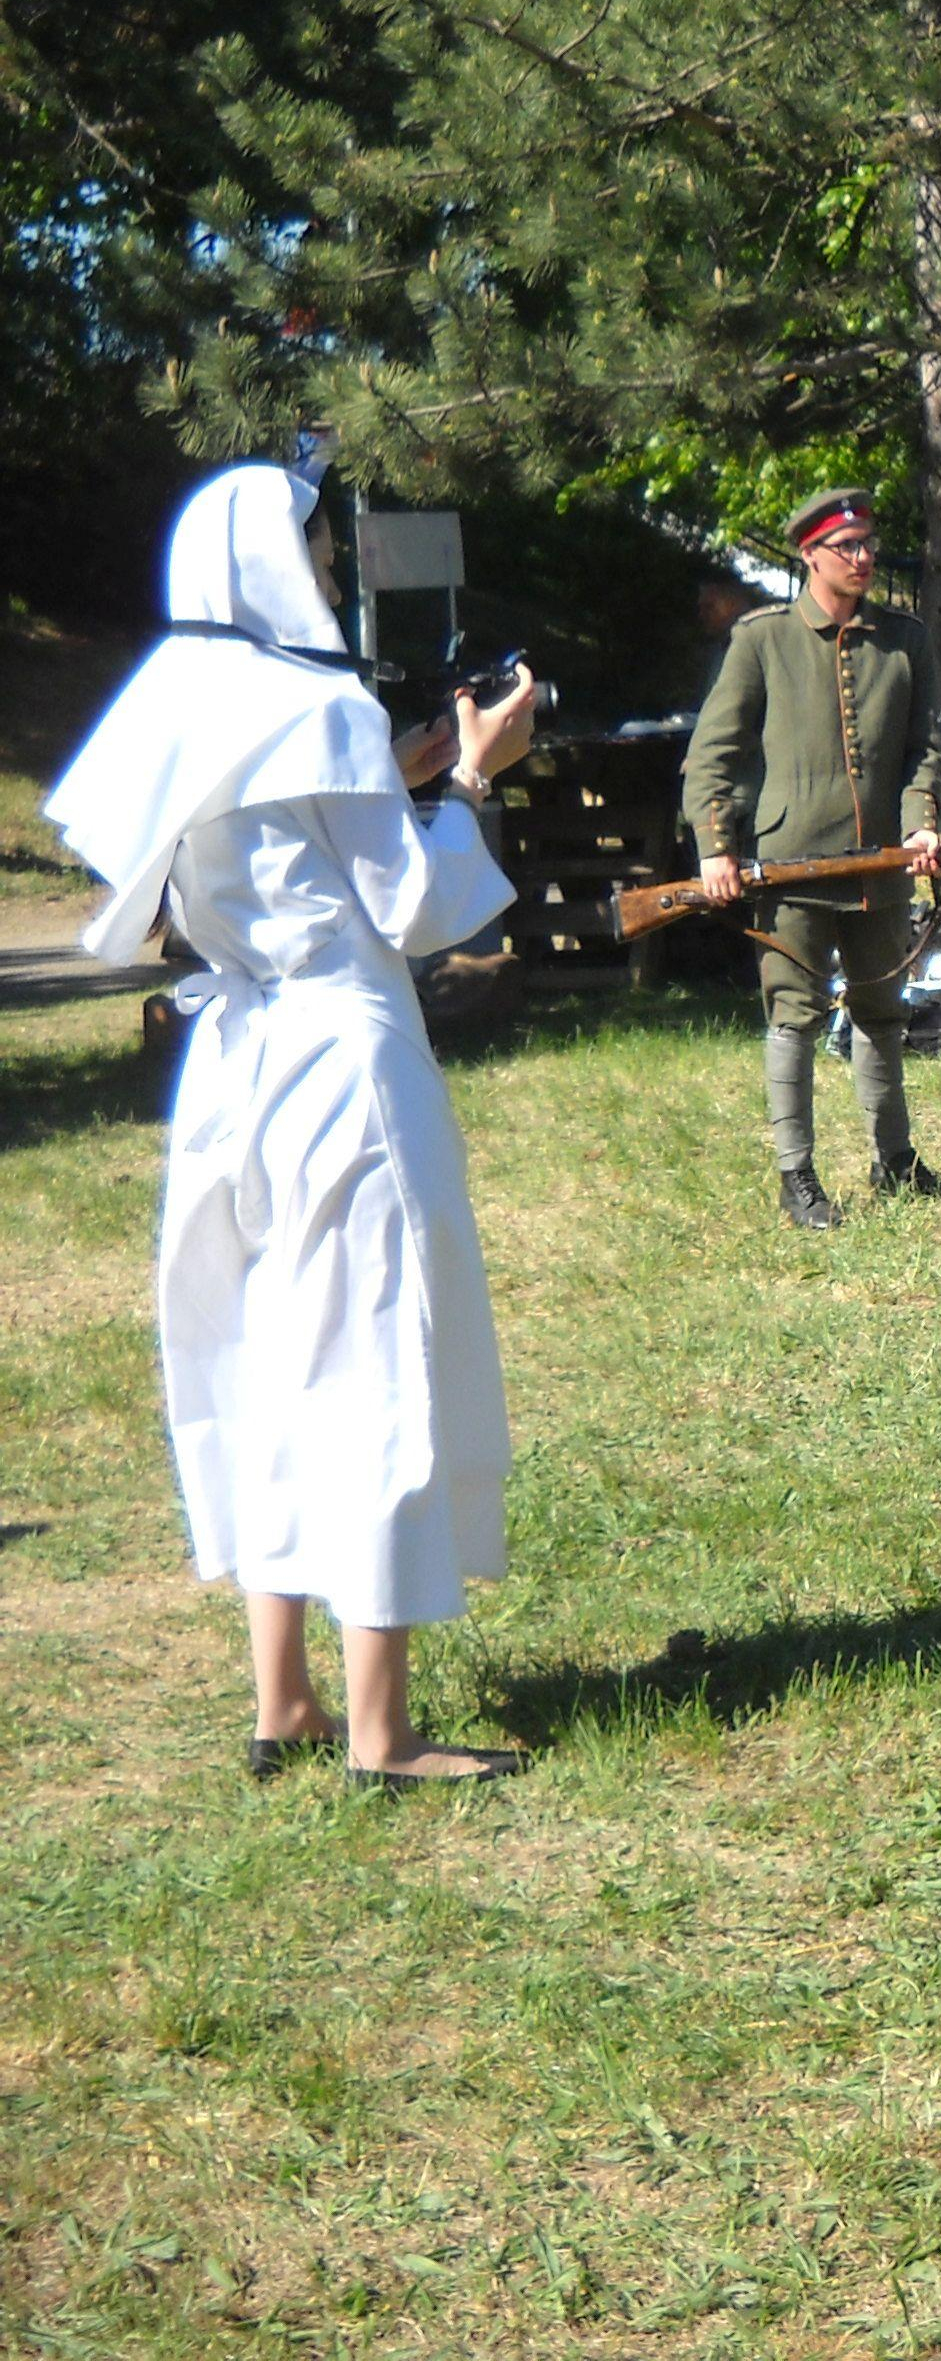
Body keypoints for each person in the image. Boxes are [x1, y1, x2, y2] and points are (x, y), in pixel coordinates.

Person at [44, 464, 541, 1789]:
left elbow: (271, 855)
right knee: (374, 1351)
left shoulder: (173, 702)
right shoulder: (314, 703)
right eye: (320, 547)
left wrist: (396, 774)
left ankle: (286, 1702)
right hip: (338, 1056)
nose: (330, 570)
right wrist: (476, 783)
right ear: (279, 556)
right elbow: (406, 909)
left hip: (231, 1065)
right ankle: (382, 1731)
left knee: (263, 1360)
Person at [682, 487, 941, 1231]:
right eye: (847, 547)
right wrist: (716, 846)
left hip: (880, 869)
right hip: (792, 867)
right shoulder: (762, 640)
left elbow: (925, 751)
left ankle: (894, 1159)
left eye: (868, 543)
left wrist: (921, 826)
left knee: (882, 1013)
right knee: (794, 1017)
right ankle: (796, 1177)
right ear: (810, 554)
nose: (863, 558)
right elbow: (712, 757)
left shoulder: (906, 642)